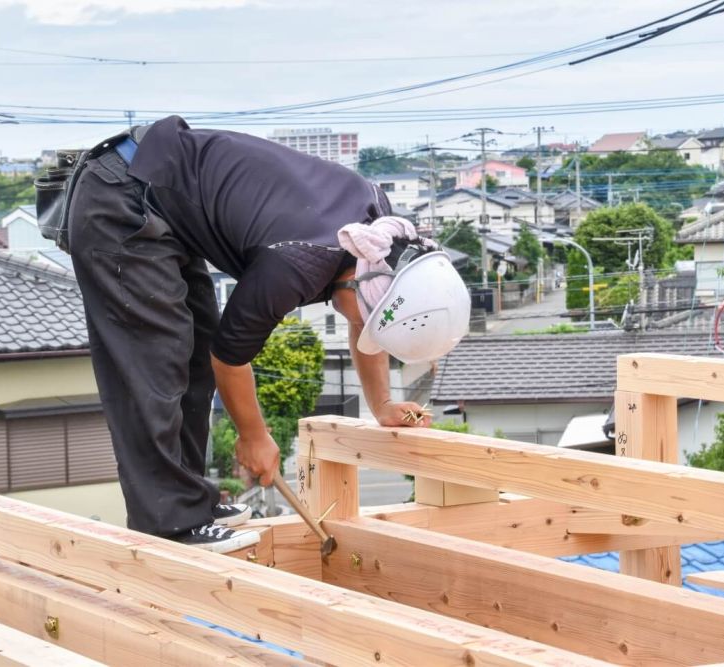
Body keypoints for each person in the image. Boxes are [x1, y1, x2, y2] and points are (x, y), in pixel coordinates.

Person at [56, 116, 469, 553]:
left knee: (190, 359)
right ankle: (170, 523)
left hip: (162, 196)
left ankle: (188, 502)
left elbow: (363, 314)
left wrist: (382, 404)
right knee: (153, 367)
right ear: (360, 285)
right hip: (122, 196)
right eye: (367, 323)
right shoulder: (296, 263)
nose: (362, 330)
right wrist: (254, 436)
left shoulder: (379, 240)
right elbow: (230, 357)